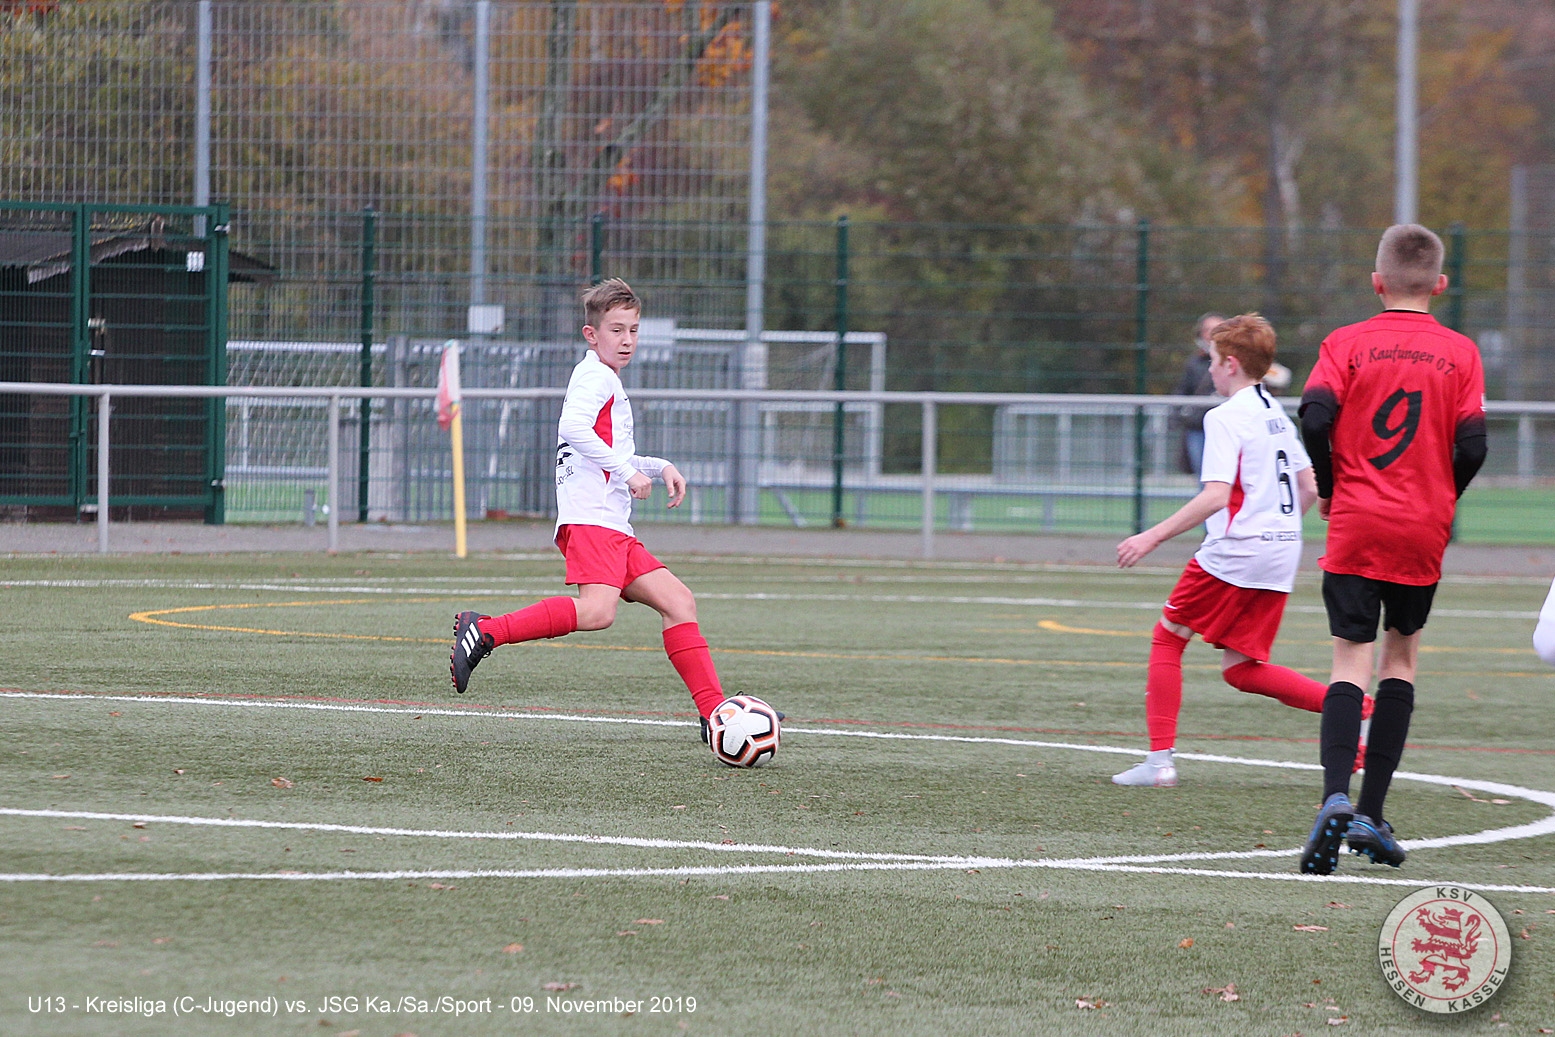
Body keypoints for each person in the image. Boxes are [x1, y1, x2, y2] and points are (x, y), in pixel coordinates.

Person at [449, 278, 739, 744]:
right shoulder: (596, 377)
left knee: (679, 602)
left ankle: (714, 714)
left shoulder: (603, 377)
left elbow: (608, 448)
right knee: (598, 612)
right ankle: (486, 630)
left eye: (633, 330)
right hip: (592, 519)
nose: (627, 340)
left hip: (610, 523)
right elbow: (573, 427)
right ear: (591, 334)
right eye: (616, 330)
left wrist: (658, 466)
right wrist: (627, 473)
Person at [1295, 224, 1487, 876]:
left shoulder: (1345, 342)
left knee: (1348, 660)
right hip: (1419, 525)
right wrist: (1441, 494)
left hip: (1356, 518)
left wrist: (1330, 485)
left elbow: (1314, 416)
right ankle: (1370, 813)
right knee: (1399, 657)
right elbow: (1473, 446)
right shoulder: (1460, 352)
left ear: (1376, 282)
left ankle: (1333, 797)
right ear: (1440, 284)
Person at [1113, 314, 1357, 787]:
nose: (1208, 370)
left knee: (1168, 637)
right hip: (1282, 551)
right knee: (1241, 669)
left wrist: (1151, 537)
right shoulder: (1275, 413)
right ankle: (1356, 709)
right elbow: (1311, 484)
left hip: (1238, 549)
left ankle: (1159, 763)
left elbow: (1215, 496)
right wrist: (1280, 525)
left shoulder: (1224, 416)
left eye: (1213, 361)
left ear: (1230, 364)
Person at [1174, 313, 1226, 476]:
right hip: (1198, 427)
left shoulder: (1235, 361)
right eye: (1208, 330)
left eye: (1217, 329)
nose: (1212, 334)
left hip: (1227, 429)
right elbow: (1183, 391)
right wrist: (1178, 415)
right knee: (1204, 476)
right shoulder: (1194, 363)